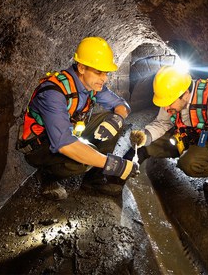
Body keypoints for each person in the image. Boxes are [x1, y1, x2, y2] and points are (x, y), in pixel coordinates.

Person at [125, 65, 208, 221]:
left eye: (169, 103)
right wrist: (145, 135)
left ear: (185, 94)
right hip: (189, 136)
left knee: (189, 163)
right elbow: (162, 123)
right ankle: (124, 170)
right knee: (147, 144)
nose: (166, 108)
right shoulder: (172, 97)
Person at [17, 37, 138, 200]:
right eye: (98, 72)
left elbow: (123, 106)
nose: (105, 78)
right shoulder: (53, 93)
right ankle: (48, 177)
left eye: (106, 73)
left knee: (110, 118)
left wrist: (116, 119)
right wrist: (116, 165)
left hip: (70, 133)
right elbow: (65, 144)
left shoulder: (93, 86)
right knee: (82, 160)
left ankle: (93, 180)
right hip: (40, 145)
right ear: (81, 67)